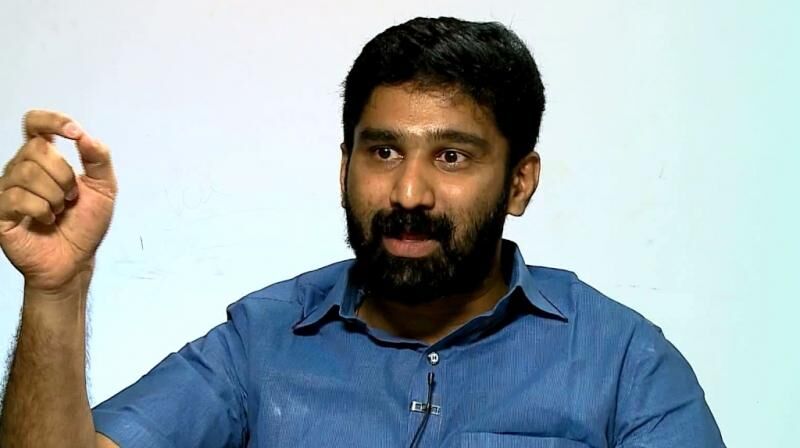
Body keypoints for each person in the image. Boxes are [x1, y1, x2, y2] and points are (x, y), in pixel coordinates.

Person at [0, 16, 724, 448]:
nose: (409, 193)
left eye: (452, 156)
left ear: (519, 182)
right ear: (345, 166)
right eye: (383, 152)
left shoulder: (625, 363)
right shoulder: (261, 342)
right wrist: (56, 289)